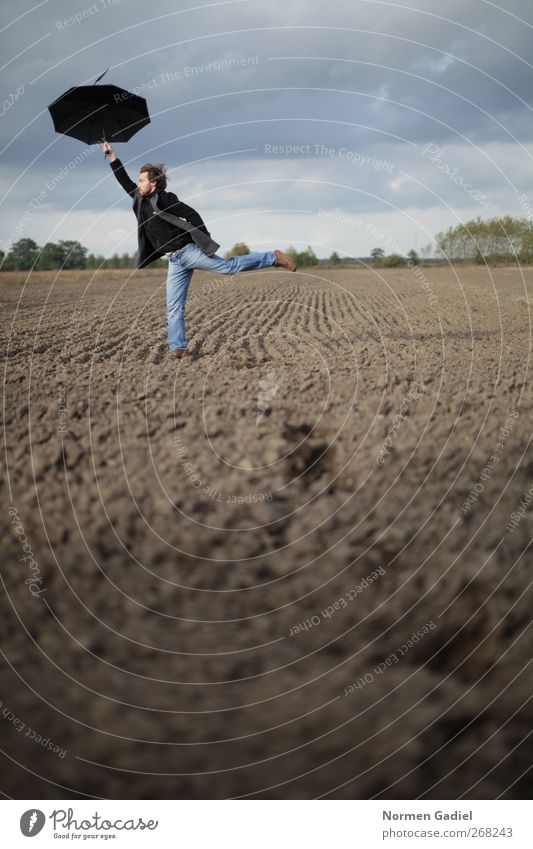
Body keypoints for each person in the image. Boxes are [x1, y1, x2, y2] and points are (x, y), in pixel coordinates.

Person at [102, 142, 296, 359]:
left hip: (189, 251)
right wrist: (112, 156)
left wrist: (205, 240)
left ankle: (273, 257)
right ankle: (179, 348)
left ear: (154, 183)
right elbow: (123, 181)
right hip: (174, 261)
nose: (138, 184)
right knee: (174, 307)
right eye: (138, 180)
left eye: (142, 180)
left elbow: (191, 214)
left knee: (227, 267)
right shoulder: (139, 198)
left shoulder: (165, 199)